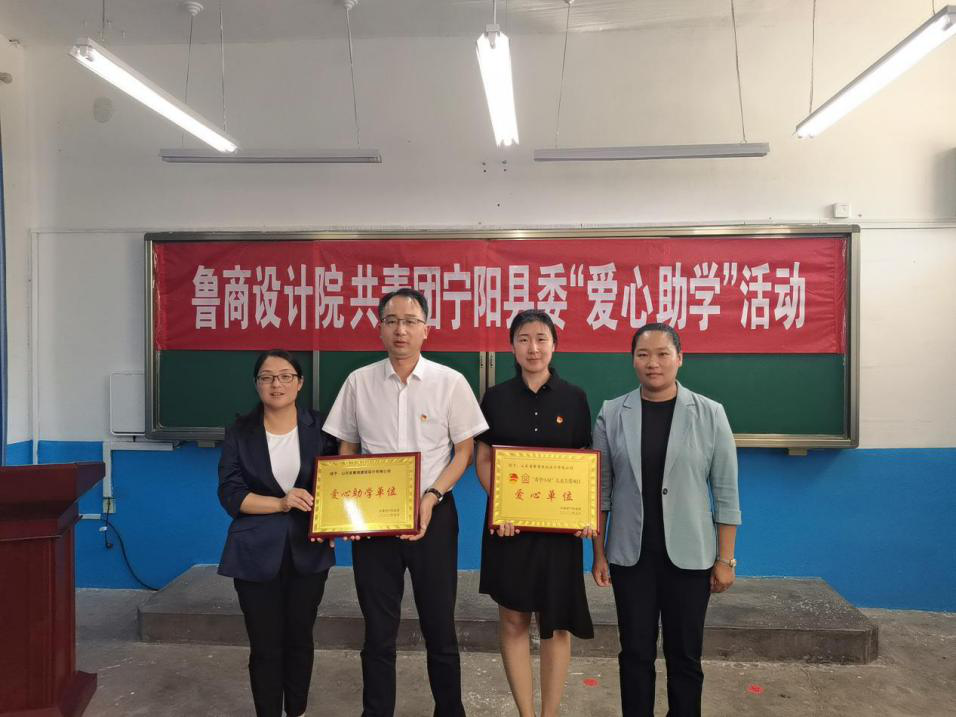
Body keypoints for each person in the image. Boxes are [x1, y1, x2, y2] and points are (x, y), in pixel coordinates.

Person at [322, 288, 488, 717]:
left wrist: (432, 495)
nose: (401, 329)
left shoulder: (450, 382)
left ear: (426, 330)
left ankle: (449, 710)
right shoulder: (358, 382)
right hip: (375, 522)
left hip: (434, 516)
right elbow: (346, 448)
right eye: (392, 321)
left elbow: (464, 452)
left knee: (440, 627)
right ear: (379, 328)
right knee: (378, 631)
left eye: (411, 321)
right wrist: (349, 510)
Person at [591, 323, 741, 717]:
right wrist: (598, 553)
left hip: (690, 559)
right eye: (643, 355)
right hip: (631, 557)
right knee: (635, 653)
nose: (653, 363)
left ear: (679, 358)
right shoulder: (612, 413)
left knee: (685, 656)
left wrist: (725, 559)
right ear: (633, 360)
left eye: (662, 354)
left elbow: (726, 493)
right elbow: (600, 491)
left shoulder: (710, 413)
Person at [474, 309, 595, 717]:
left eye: (541, 338)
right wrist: (502, 504)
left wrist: (582, 514)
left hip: (559, 532)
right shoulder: (495, 398)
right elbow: (484, 459)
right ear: (512, 346)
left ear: (554, 345)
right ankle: (526, 713)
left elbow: (583, 463)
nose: (533, 347)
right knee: (513, 620)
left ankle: (550, 713)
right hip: (509, 530)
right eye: (524, 339)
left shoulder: (575, 398)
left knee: (556, 623)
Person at [217, 349, 338, 717]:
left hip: (308, 549)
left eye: (285, 376)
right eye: (267, 377)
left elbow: (338, 482)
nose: (276, 384)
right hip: (254, 552)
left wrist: (337, 521)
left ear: (299, 383)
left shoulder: (322, 428)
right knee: (265, 645)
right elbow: (230, 494)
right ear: (257, 385)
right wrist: (281, 503)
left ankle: (296, 710)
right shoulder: (240, 432)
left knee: (300, 638)